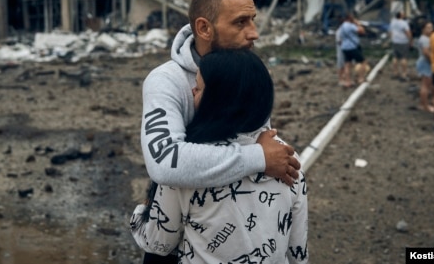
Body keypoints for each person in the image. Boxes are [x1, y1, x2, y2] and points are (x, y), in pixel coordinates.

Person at [139, 0, 300, 262]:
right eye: (240, 22)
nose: (254, 33)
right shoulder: (167, 81)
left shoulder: (246, 71)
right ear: (204, 28)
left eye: (252, 19)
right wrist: (259, 158)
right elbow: (165, 162)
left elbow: (257, 139)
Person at [131, 49, 308, 263]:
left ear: (219, 101)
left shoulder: (189, 165)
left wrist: (141, 212)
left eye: (200, 87)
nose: (192, 90)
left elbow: (158, 243)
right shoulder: (286, 157)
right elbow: (298, 250)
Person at [338, 13, 369, 85]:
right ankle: (360, 78)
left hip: (345, 47)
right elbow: (362, 31)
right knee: (363, 62)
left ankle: (347, 81)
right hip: (352, 47)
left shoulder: (341, 26)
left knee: (347, 65)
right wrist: (358, 23)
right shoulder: (350, 26)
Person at [415, 21, 434, 112]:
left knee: (426, 85)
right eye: (428, 28)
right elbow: (426, 53)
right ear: (423, 29)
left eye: (431, 27)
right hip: (425, 63)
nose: (430, 30)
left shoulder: (426, 38)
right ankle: (425, 105)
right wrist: (433, 62)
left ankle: (424, 103)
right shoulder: (425, 39)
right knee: (425, 85)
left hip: (425, 62)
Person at [389, 11, 413, 80]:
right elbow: (408, 32)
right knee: (403, 57)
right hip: (403, 41)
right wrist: (411, 40)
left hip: (395, 41)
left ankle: (395, 72)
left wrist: (392, 38)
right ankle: (404, 73)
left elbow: (390, 32)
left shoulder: (392, 22)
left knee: (395, 57)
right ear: (401, 15)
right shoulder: (404, 23)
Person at [335, 16, 348, 87]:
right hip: (340, 51)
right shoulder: (339, 31)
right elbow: (339, 41)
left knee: (345, 65)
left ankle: (344, 79)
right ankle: (340, 80)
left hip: (345, 50)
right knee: (340, 65)